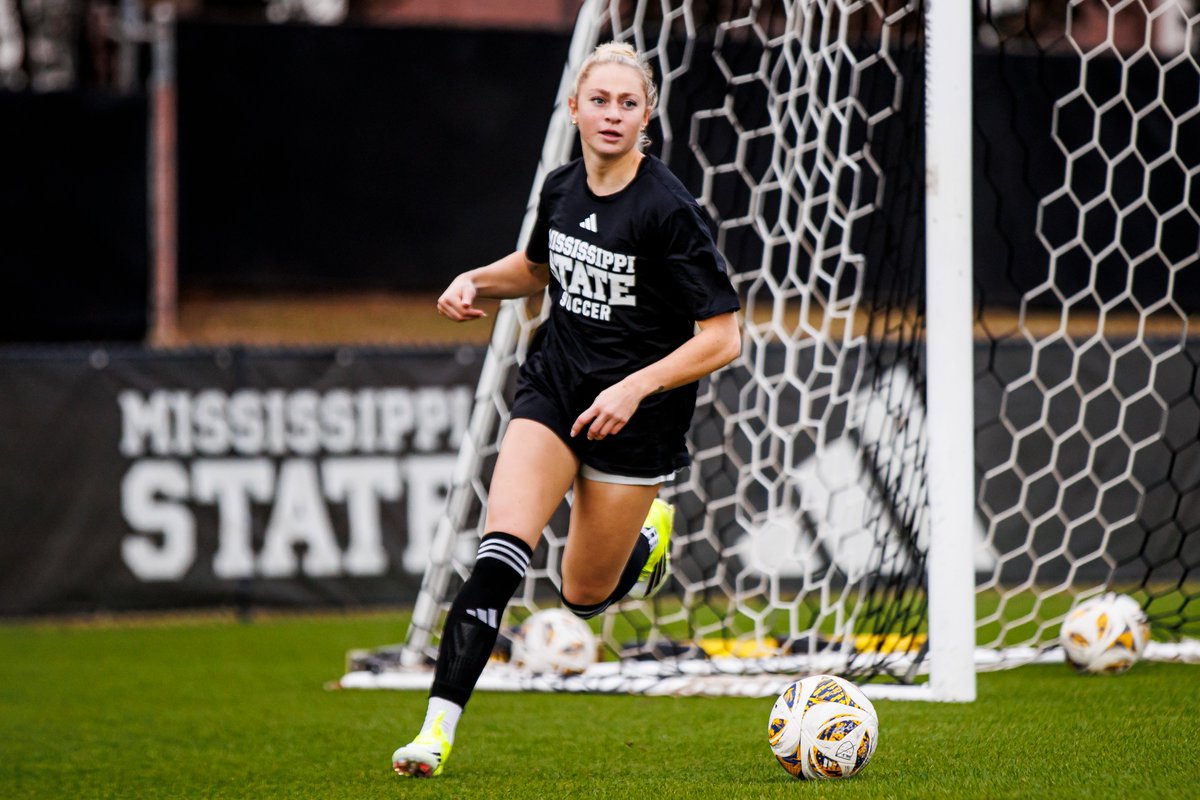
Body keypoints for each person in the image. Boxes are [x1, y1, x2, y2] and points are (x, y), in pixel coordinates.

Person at [391, 40, 742, 778]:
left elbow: (724, 338)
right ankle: (435, 731)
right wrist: (474, 282)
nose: (612, 114)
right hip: (552, 387)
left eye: (627, 103)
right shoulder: (560, 188)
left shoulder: (668, 210)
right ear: (575, 108)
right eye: (600, 100)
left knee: (582, 596)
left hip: (636, 418)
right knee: (497, 556)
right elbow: (535, 269)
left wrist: (635, 386)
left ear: (646, 116)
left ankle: (645, 543)